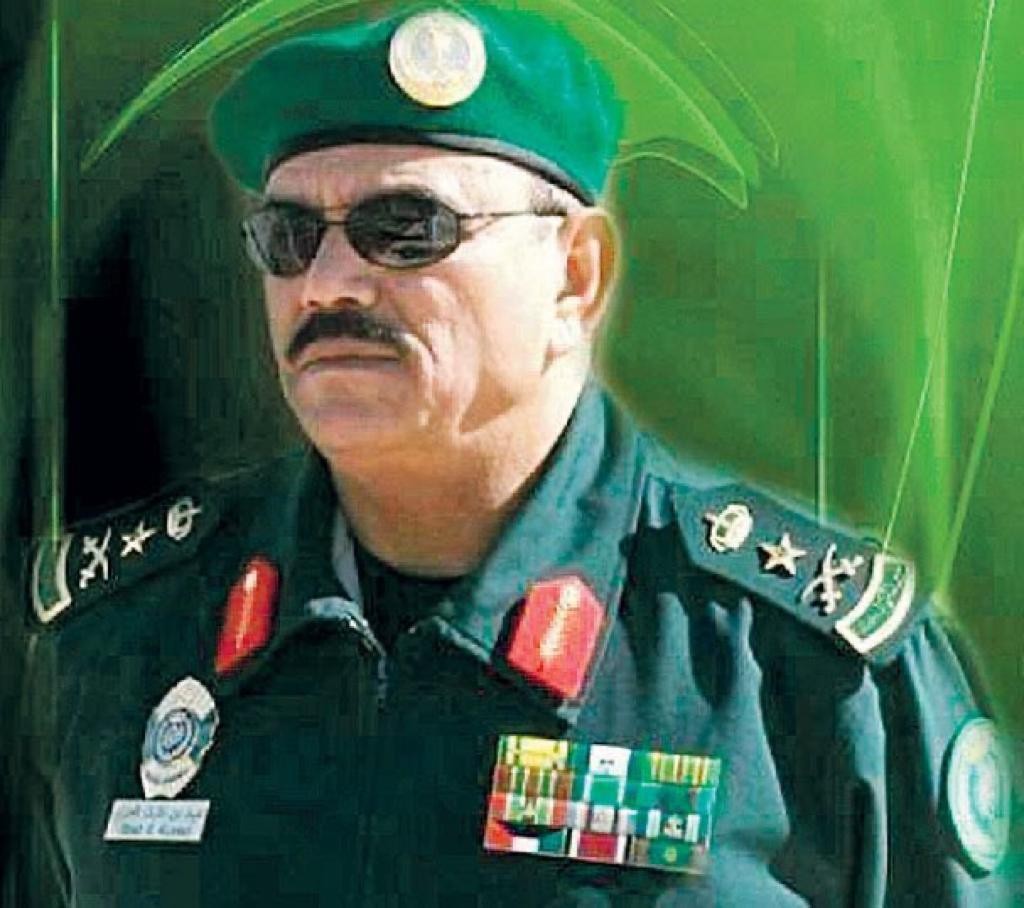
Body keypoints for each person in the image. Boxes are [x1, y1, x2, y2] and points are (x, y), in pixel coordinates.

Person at [9, 4, 1013, 906]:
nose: (325, 283)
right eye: (288, 235)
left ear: (576, 275)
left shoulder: (799, 671)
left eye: (406, 227)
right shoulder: (121, 644)